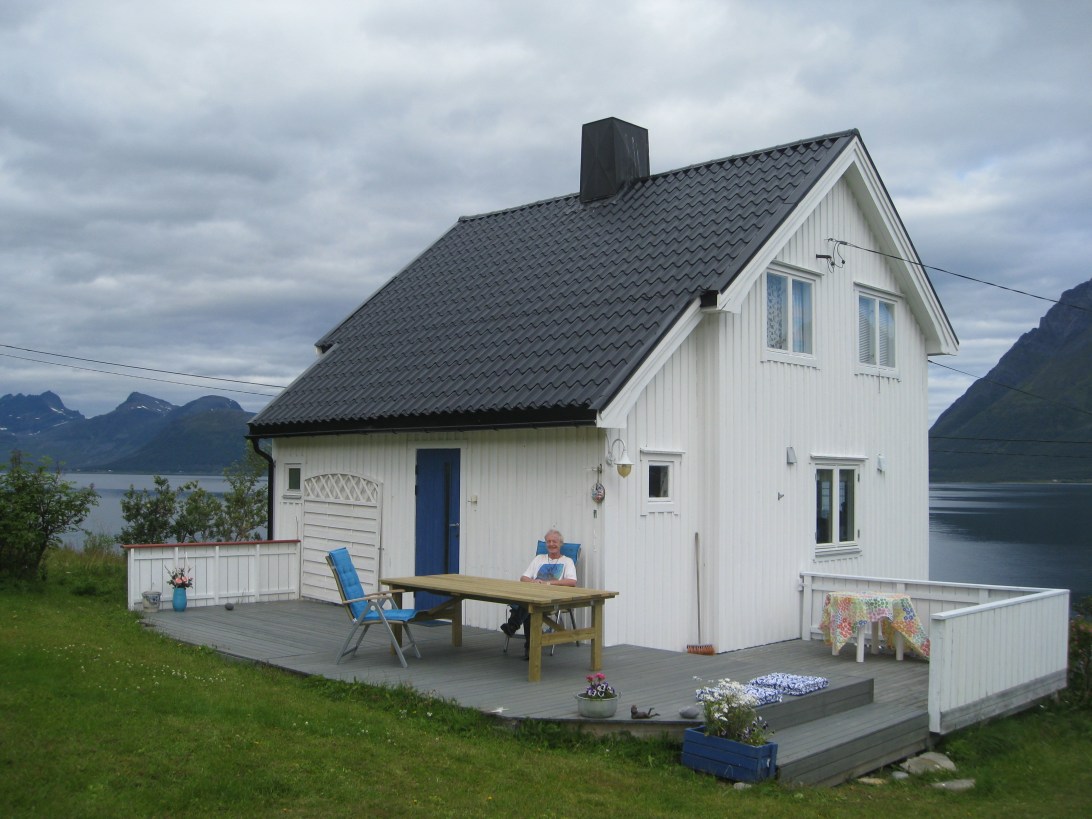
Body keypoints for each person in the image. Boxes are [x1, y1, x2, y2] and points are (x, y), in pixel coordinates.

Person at [500, 529, 577, 659]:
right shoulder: (539, 559)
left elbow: (572, 581)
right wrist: (534, 581)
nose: (551, 544)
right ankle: (530, 648)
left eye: (554, 541)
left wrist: (549, 583)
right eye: (548, 541)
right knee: (530, 608)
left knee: (528, 607)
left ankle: (513, 627)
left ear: (560, 544)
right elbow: (523, 578)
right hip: (533, 594)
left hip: (552, 598)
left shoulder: (567, 561)